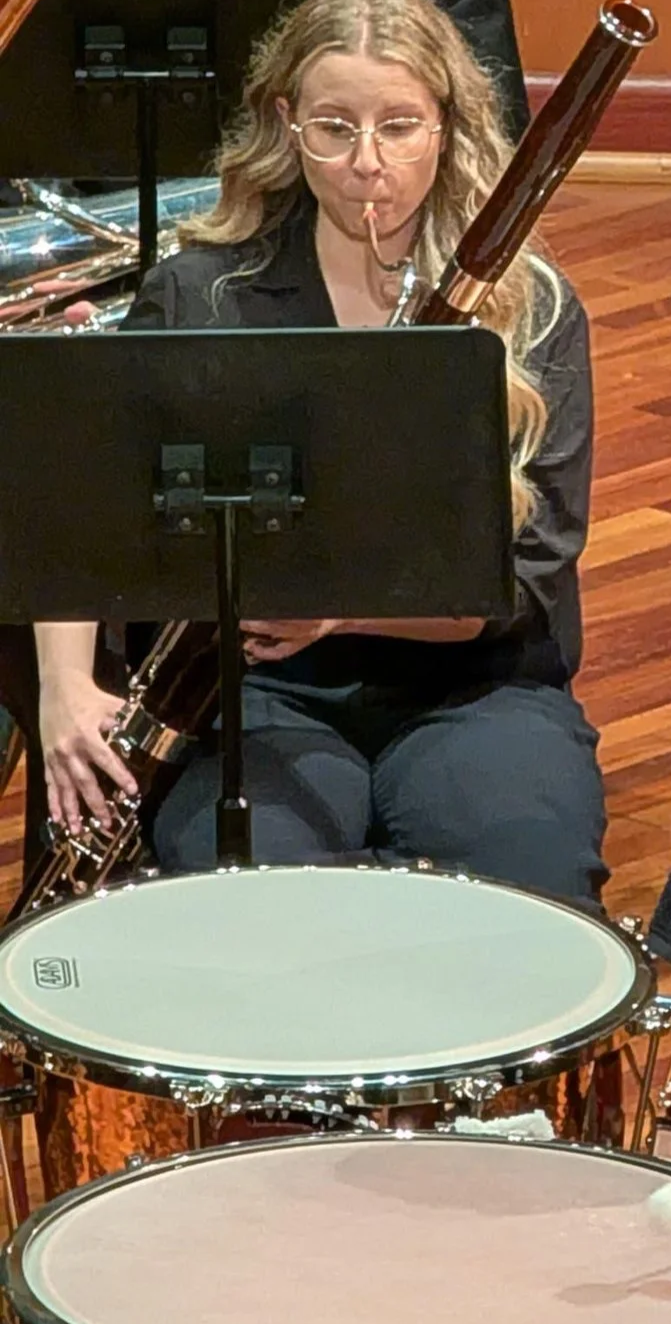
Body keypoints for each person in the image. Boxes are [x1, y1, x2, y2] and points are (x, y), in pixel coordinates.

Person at [31, 0, 607, 905]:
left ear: (448, 129)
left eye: (399, 126)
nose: (367, 162)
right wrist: (63, 685)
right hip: (253, 691)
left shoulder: (529, 308)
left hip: (478, 689)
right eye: (334, 129)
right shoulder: (200, 293)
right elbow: (81, 505)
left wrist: (338, 612)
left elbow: (527, 574)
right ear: (286, 124)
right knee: (257, 902)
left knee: (529, 885)